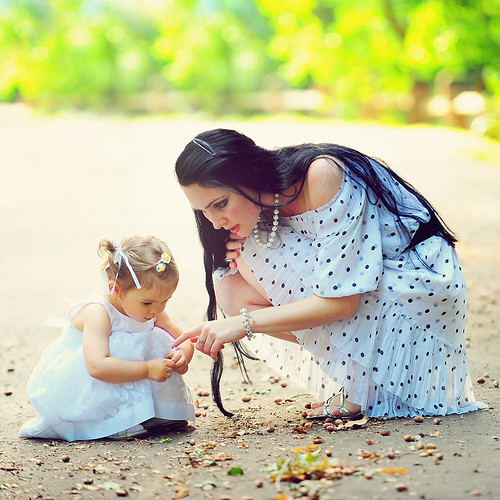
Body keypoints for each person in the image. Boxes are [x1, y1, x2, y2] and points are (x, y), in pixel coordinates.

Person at [172, 128, 486, 420]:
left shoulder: (320, 175)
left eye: (220, 204)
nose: (215, 222)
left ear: (250, 173)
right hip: (368, 287)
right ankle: (362, 380)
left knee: (252, 256)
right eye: (204, 211)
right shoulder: (261, 209)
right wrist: (243, 276)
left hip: (417, 283)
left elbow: (342, 301)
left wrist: (242, 324)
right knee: (229, 283)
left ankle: (365, 388)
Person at [19, 235, 195, 441]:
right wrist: (147, 369)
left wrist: (183, 355)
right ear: (116, 288)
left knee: (157, 338)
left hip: (122, 374)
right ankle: (112, 419)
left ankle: (153, 411)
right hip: (86, 380)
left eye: (165, 300)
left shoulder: (153, 311)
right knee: (123, 346)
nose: (156, 309)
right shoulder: (98, 313)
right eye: (147, 303)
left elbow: (182, 338)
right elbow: (97, 366)